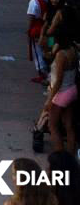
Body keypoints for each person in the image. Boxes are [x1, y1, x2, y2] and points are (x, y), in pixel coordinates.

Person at [41, 26, 77, 154]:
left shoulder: (61, 55)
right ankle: (71, 153)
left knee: (53, 125)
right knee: (69, 125)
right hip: (72, 89)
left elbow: (58, 80)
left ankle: (60, 155)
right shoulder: (73, 50)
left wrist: (50, 100)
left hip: (62, 93)